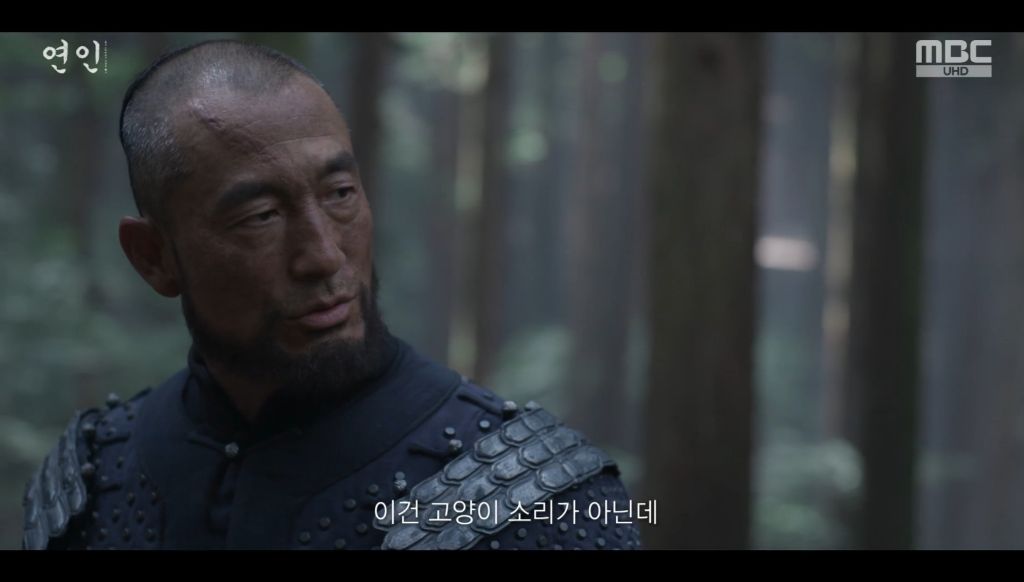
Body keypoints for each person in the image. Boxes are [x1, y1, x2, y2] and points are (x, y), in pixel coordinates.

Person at [22, 39, 642, 550]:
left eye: (340, 194)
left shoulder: (548, 502)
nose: (323, 255)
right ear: (154, 257)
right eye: (261, 216)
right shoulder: (89, 481)